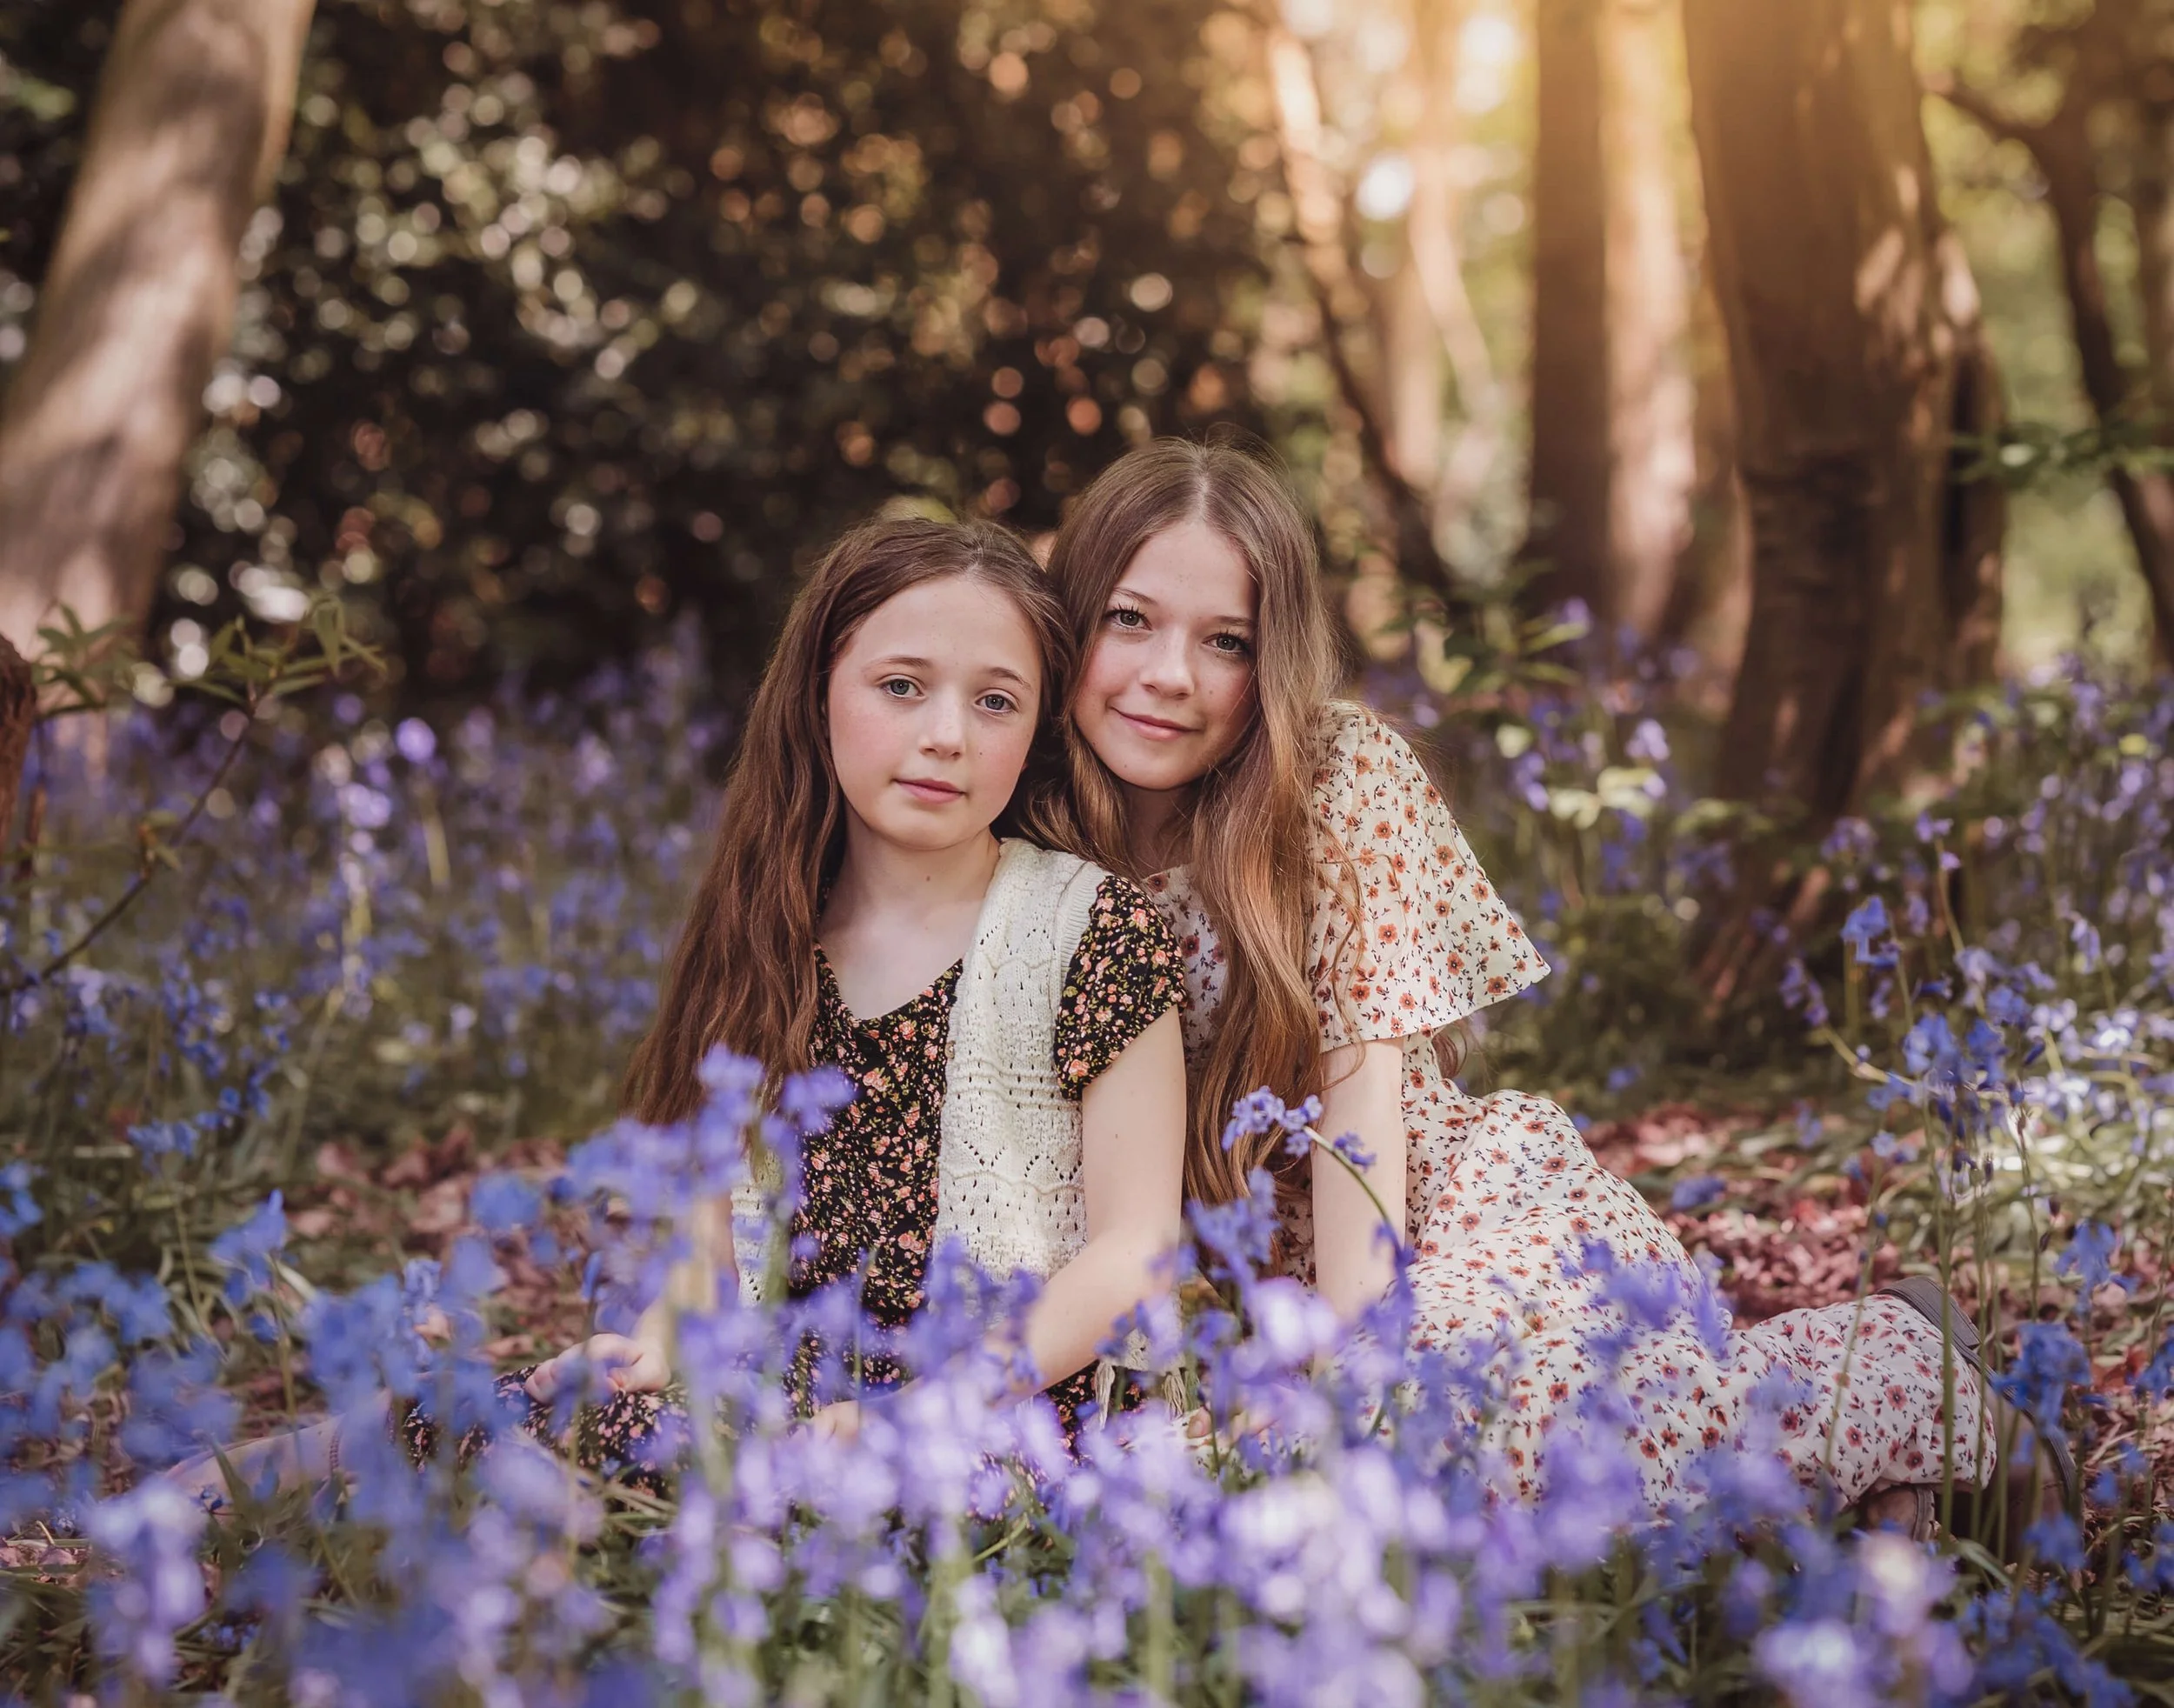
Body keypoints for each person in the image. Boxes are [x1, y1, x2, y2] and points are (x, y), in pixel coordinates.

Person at [1030, 435, 2070, 1537]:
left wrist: (1339, 1378)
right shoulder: (1018, 811)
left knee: (1471, 1428)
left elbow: (1361, 1109)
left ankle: (1902, 1374)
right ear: (1071, 619)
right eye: (1128, 619)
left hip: (1426, 1225)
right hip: (1185, 1292)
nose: (1169, 675)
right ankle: (1871, 1496)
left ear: (1272, 657)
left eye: (1225, 640)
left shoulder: (1333, 778)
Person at [173, 515, 1185, 1504]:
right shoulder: (764, 928)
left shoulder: (1091, 930)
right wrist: (658, 1338)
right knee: (558, 1409)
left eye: (996, 702)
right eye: (901, 686)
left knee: (689, 1474)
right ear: (818, 692)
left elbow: (1131, 1247)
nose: (946, 736)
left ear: (1037, 726)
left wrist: (924, 1410)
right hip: (770, 1387)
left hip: (997, 1414)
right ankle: (223, 1496)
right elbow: (709, 1237)